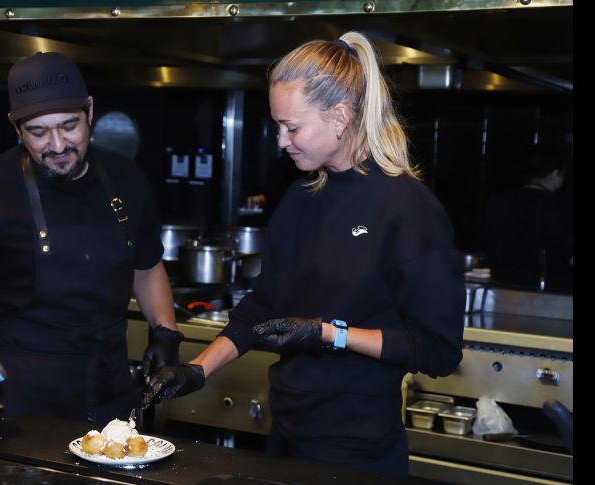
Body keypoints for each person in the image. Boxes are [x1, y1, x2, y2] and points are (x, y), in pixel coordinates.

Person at [143, 33, 465, 477]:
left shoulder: (407, 209)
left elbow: (439, 350)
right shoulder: (300, 198)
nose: (281, 141)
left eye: (292, 128)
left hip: (359, 451)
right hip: (286, 434)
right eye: (278, 126)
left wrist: (329, 334)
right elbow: (262, 305)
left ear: (340, 117)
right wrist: (198, 371)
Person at [0, 52, 182, 423]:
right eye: (38, 132)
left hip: (110, 387)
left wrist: (166, 331)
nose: (58, 146)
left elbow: (147, 266)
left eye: (69, 126)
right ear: (16, 128)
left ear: (89, 110)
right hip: (21, 396)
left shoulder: (127, 178)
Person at [484, 142, 573, 292]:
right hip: (546, 296)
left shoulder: (498, 203)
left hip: (498, 291)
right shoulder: (557, 208)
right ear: (555, 174)